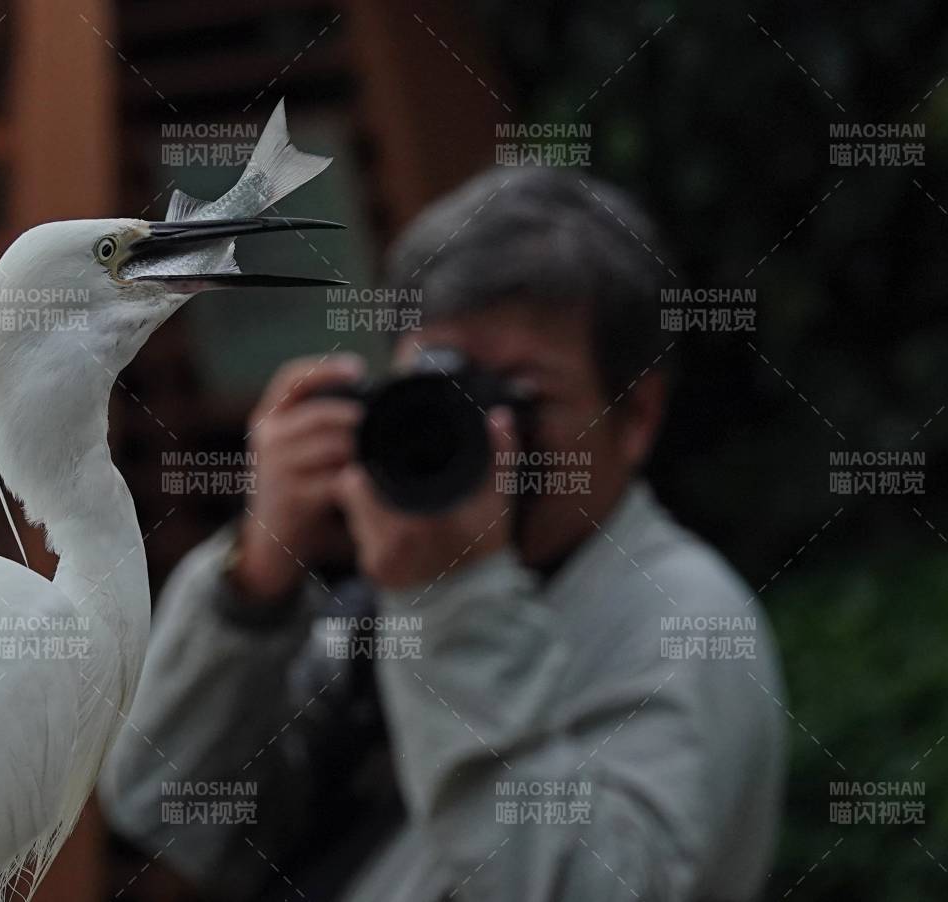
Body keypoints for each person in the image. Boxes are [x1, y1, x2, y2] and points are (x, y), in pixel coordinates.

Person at [98, 167, 786, 901]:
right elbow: (163, 811)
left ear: (637, 415)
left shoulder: (687, 622)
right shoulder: (390, 591)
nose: (485, 435)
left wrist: (453, 600)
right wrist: (252, 588)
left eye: (522, 395)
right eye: (438, 381)